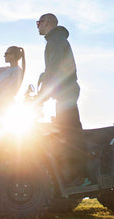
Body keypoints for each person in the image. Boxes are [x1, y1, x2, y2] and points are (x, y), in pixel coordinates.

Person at [36, 13, 89, 186]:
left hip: (66, 92)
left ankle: (80, 178)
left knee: (70, 135)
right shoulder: (55, 40)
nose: (37, 25)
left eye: (40, 22)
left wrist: (43, 93)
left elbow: (54, 68)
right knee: (67, 131)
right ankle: (72, 177)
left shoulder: (56, 40)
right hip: (64, 93)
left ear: (49, 23)